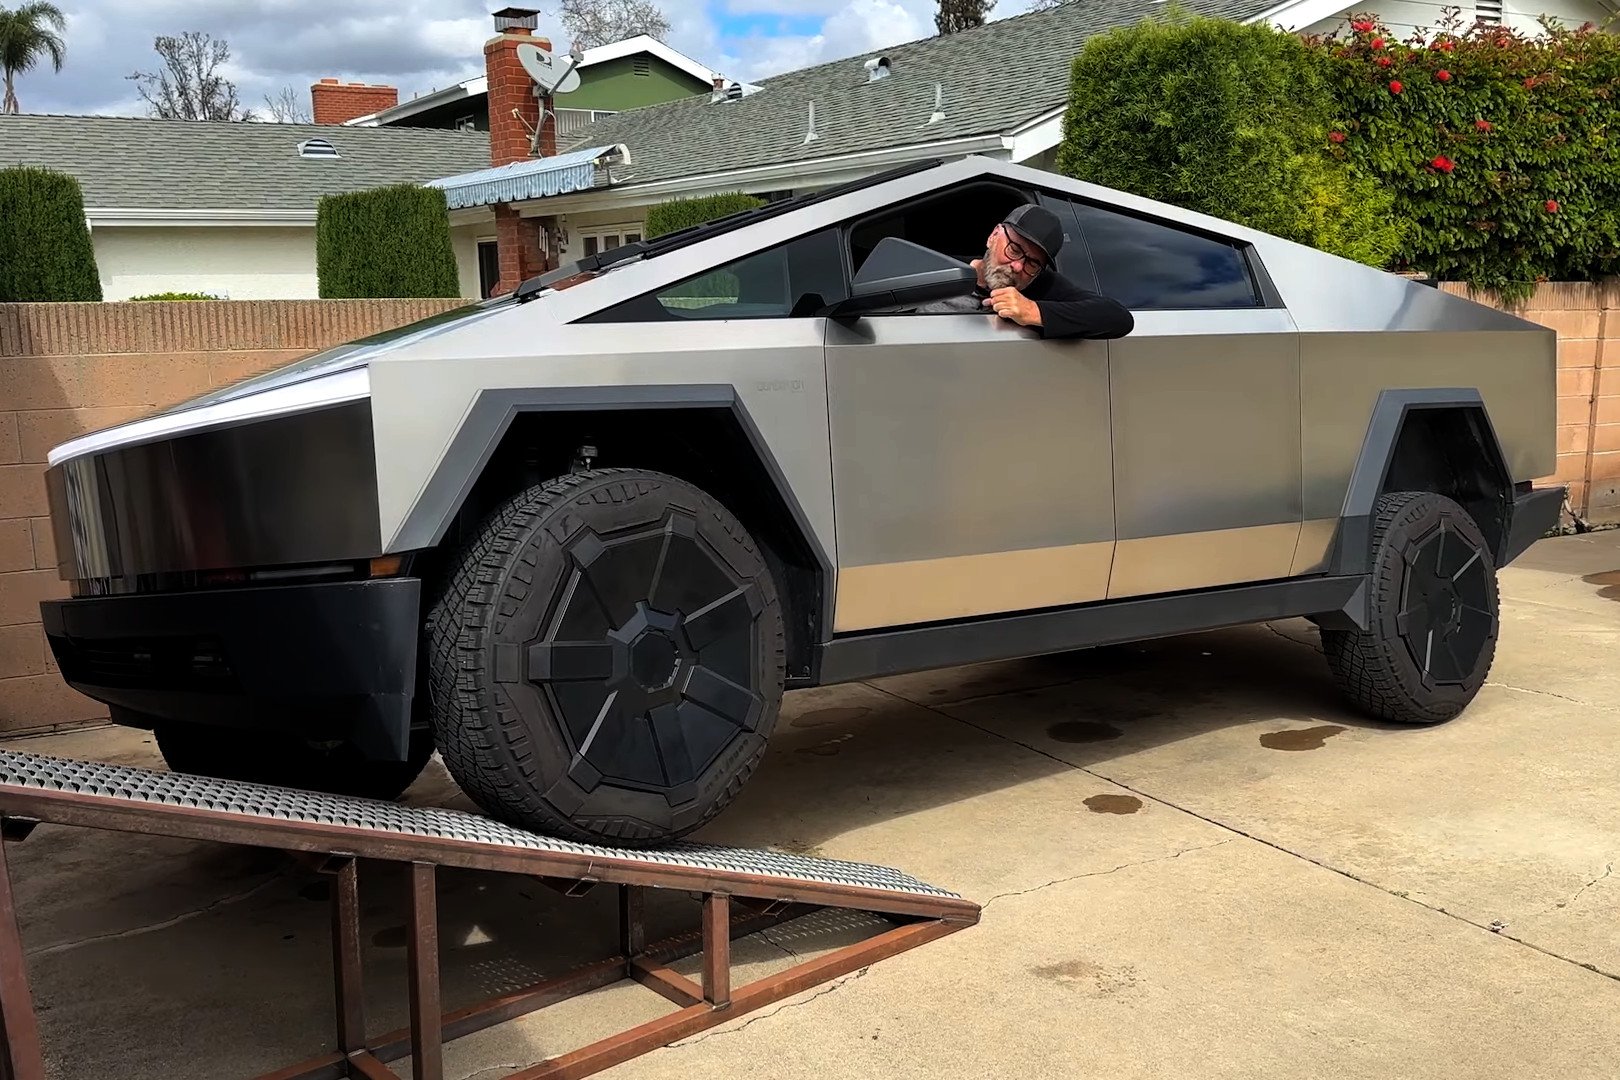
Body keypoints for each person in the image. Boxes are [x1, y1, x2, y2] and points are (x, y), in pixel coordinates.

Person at [916, 203, 1134, 340]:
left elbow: (1117, 318)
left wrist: (1032, 311)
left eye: (1032, 263)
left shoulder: (1041, 286)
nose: (1018, 266)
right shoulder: (939, 269)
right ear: (993, 236)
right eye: (1014, 250)